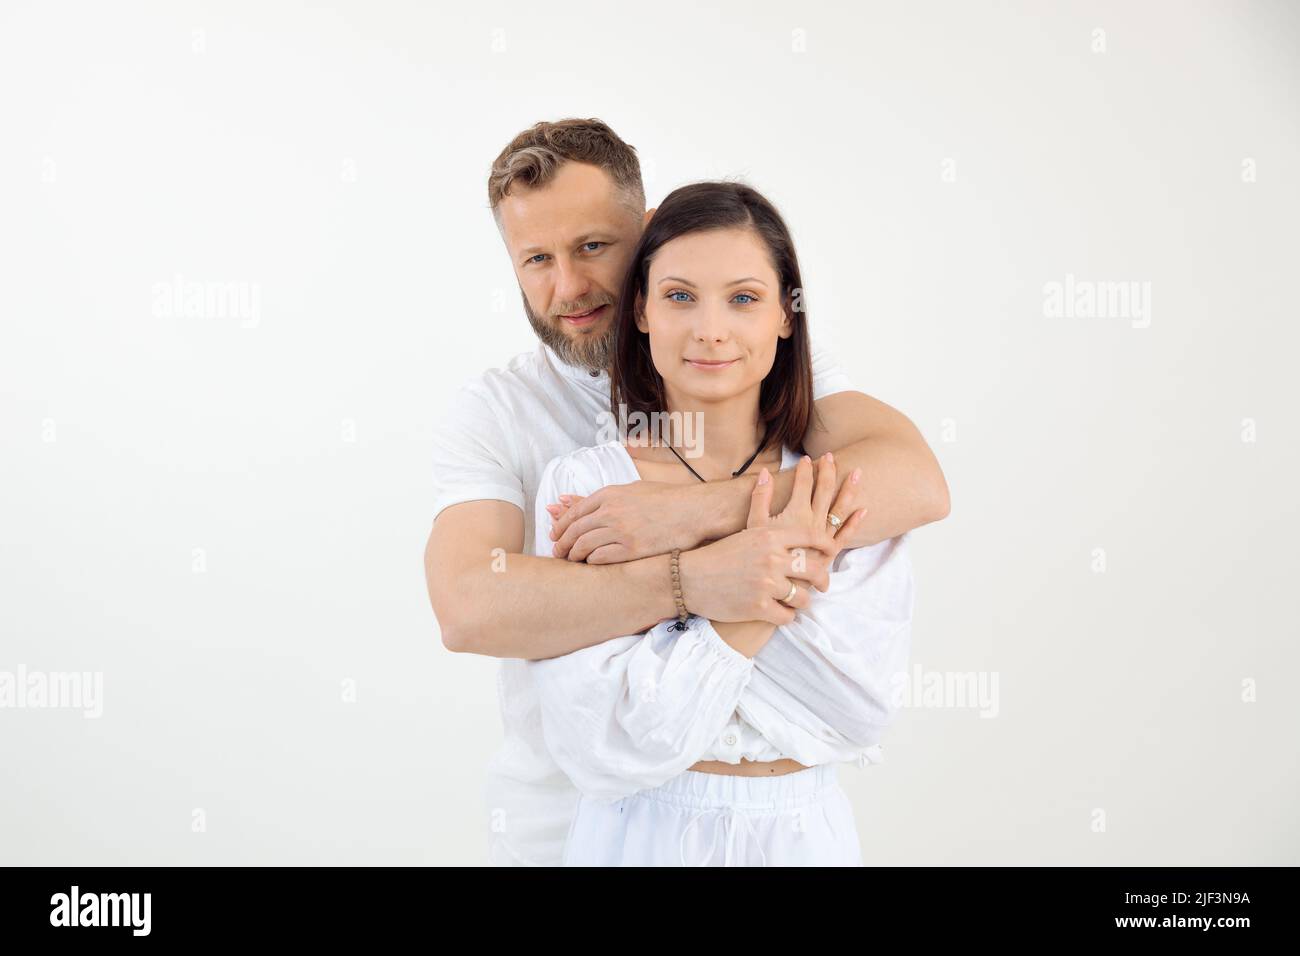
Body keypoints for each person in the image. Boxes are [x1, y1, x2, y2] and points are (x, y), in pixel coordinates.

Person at [424, 118, 949, 866]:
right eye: (536, 258)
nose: (567, 286)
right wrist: (700, 579)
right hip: (561, 819)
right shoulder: (503, 412)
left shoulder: (745, 357)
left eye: (593, 248)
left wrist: (685, 515)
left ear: (644, 234)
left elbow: (915, 482)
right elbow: (470, 605)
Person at [527, 181, 913, 865]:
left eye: (743, 298)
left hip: (803, 836)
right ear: (641, 311)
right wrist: (761, 577)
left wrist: (674, 594)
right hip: (636, 837)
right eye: (680, 296)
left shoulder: (838, 478)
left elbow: (856, 703)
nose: (710, 329)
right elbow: (605, 740)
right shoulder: (587, 488)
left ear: (786, 317)